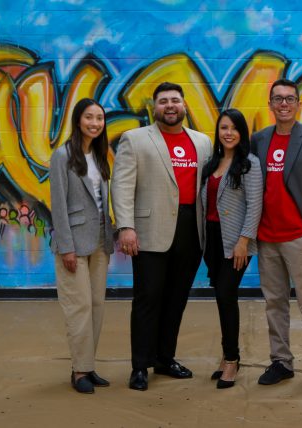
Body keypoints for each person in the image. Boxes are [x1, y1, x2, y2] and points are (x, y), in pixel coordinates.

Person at [111, 82, 212, 391]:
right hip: (150, 231)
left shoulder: (203, 142)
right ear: (154, 107)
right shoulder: (135, 139)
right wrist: (126, 226)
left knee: (176, 300)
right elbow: (122, 185)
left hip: (191, 230)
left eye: (175, 101)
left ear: (184, 106)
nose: (170, 106)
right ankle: (140, 366)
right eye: (164, 101)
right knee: (148, 299)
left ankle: (165, 358)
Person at [250, 79, 302, 388]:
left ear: (298, 104)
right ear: (270, 104)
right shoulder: (258, 140)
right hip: (267, 238)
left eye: (289, 99)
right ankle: (281, 361)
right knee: (275, 303)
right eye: (278, 99)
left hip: (299, 237)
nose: (283, 104)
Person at [49, 98, 115, 394]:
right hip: (74, 243)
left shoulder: (101, 156)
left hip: (100, 240)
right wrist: (66, 247)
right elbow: (59, 206)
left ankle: (88, 364)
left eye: (99, 119)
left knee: (96, 306)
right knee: (79, 307)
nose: (95, 123)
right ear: (78, 121)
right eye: (89, 118)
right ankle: (79, 371)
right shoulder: (62, 155)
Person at [199, 109, 263, 389]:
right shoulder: (210, 163)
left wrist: (244, 240)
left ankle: (232, 360)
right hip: (211, 239)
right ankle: (227, 356)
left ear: (242, 133)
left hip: (236, 241)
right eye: (224, 127)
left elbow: (255, 206)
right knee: (221, 296)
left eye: (234, 128)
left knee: (227, 294)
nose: (228, 133)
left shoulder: (249, 164)